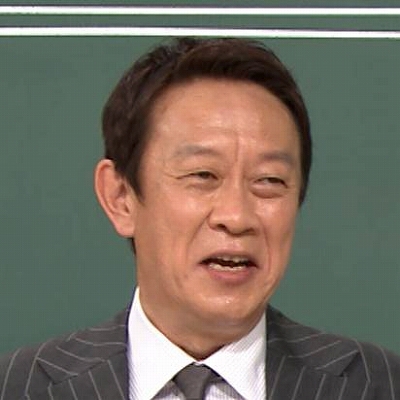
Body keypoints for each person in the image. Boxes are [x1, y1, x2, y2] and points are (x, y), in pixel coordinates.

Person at [0, 37, 399, 400]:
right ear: (120, 197)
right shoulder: (18, 387)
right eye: (203, 175)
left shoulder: (380, 385)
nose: (236, 217)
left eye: (269, 181)